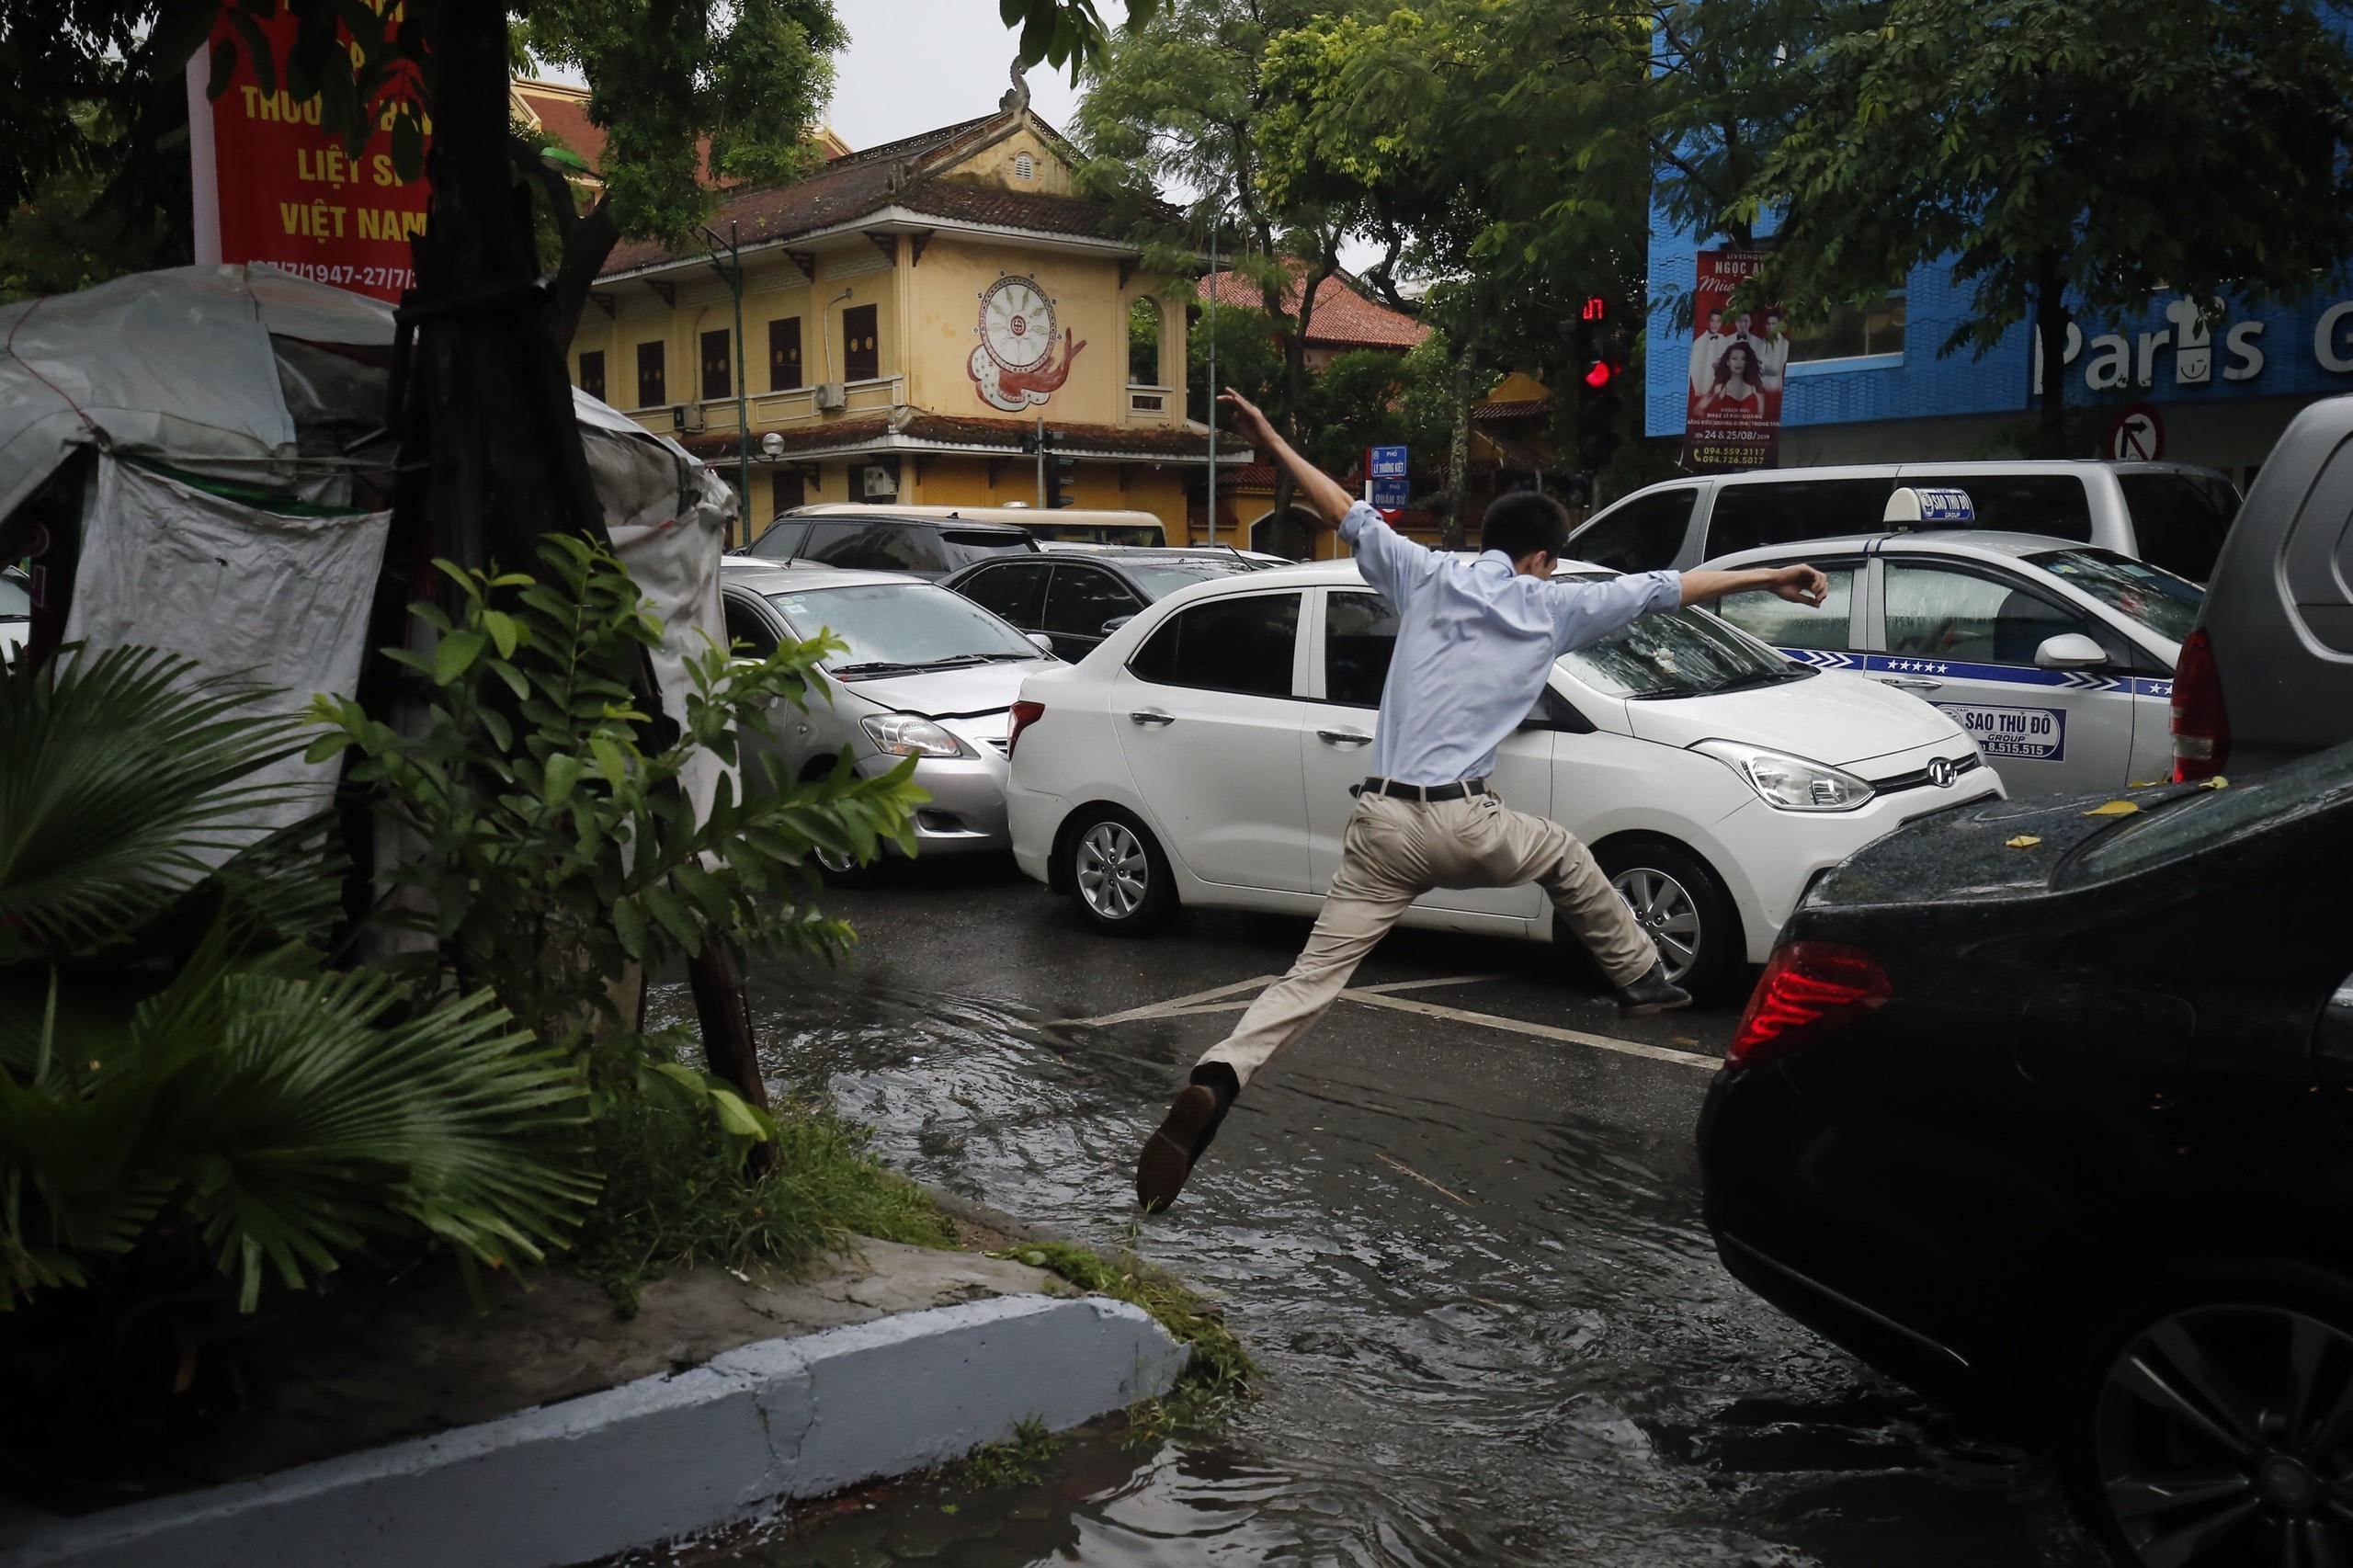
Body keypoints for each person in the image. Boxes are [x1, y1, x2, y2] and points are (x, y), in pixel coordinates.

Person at [1134, 389, 1830, 1213]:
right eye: (1553, 564)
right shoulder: (1555, 605)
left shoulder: (1424, 574)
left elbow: (1342, 508)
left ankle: (1221, 1074)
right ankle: (1643, 979)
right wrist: (1775, 575)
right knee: (1565, 853)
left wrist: (1271, 437)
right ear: (1541, 558)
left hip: (1381, 824)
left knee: (1311, 978)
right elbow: (1674, 587)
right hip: (1464, 822)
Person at [1694, 341, 1765, 417]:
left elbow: (1760, 415)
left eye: (1743, 359)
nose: (1738, 363)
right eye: (1734, 358)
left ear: (1747, 362)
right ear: (1728, 362)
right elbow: (1697, 410)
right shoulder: (1719, 387)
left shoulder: (1755, 387)